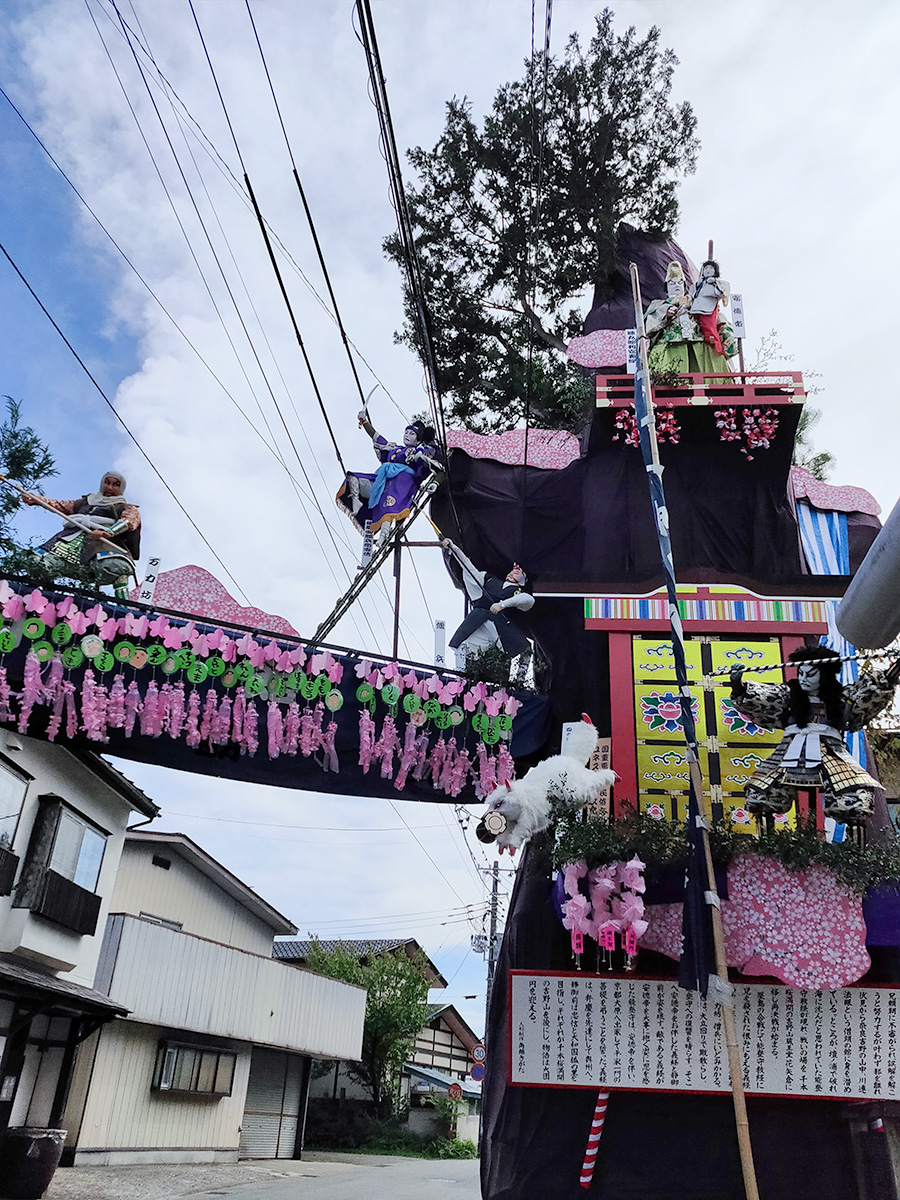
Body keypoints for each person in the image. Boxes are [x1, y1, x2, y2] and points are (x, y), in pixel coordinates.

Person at [729, 645, 900, 824]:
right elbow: (765, 698)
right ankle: (766, 840)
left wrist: (894, 670)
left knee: (854, 797)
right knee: (761, 793)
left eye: (810, 675)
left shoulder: (842, 698)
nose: (804, 679)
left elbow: (867, 694)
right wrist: (738, 686)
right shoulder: (788, 696)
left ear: (824, 675)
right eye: (801, 673)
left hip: (830, 749)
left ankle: (855, 839)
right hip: (790, 749)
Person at [22, 470, 140, 600]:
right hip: (69, 539)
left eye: (115, 485)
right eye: (107, 483)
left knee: (116, 567)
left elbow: (129, 521)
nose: (109, 488)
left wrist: (108, 532)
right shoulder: (84, 502)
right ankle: (46, 597)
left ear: (121, 488)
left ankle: (123, 607)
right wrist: (37, 499)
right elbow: (59, 505)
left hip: (102, 546)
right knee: (38, 561)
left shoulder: (125, 507)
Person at [442, 537, 535, 685]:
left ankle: (519, 684)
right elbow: (468, 567)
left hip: (499, 627)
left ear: (522, 581)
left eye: (518, 572)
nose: (513, 572)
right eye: (513, 570)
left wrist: (502, 605)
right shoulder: (489, 580)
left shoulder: (518, 593)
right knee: (462, 645)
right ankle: (461, 678)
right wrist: (453, 548)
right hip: (479, 621)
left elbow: (528, 600)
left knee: (526, 649)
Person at [337, 413, 441, 535]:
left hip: (402, 482)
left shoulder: (420, 451)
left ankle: (384, 535)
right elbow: (376, 437)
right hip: (382, 480)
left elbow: (432, 459)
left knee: (389, 507)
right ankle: (356, 500)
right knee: (352, 478)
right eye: (406, 433)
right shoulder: (394, 448)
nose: (407, 435)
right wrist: (364, 422)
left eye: (411, 434)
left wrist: (420, 454)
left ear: (418, 440)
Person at [644, 260, 736, 377]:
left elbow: (710, 316)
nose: (676, 286)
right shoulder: (659, 304)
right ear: (666, 288)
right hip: (670, 344)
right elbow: (651, 319)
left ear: (684, 286)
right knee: (668, 374)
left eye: (679, 283)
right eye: (672, 283)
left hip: (697, 342)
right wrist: (666, 311)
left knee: (705, 371)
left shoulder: (695, 301)